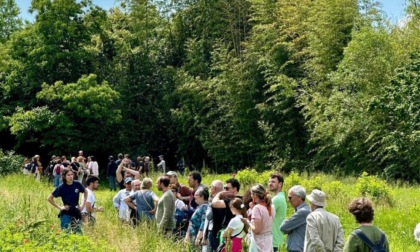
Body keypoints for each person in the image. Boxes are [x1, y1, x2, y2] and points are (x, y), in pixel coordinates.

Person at [47, 169, 87, 233]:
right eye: (68, 175)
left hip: (76, 211)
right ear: (64, 176)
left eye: (72, 174)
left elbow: (85, 191)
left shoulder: (77, 184)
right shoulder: (61, 187)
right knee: (66, 232)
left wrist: (83, 205)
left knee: (79, 233)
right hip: (66, 212)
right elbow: (49, 198)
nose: (71, 176)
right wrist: (60, 207)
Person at [280, 185, 310, 252]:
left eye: (290, 197)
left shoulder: (303, 212)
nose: (288, 200)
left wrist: (286, 222)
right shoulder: (300, 210)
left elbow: (283, 227)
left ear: (299, 197)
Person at [248, 184, 274, 252]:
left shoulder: (257, 208)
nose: (251, 196)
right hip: (269, 240)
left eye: (251, 194)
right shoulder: (271, 207)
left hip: (259, 243)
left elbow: (257, 230)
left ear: (255, 195)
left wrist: (248, 223)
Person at [185, 187, 210, 251]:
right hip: (193, 235)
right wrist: (187, 234)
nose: (194, 197)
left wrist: (198, 238)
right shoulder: (200, 206)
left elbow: (204, 222)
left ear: (202, 197)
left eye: (196, 195)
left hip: (198, 237)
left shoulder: (205, 207)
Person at [203, 180, 224, 251]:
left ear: (214, 188)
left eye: (210, 187)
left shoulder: (214, 201)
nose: (210, 189)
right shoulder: (226, 200)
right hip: (223, 230)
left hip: (213, 230)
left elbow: (208, 216)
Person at [268, 174, 287, 251]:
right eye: (269, 181)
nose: (270, 183)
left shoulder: (276, 199)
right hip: (276, 238)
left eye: (273, 182)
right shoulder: (280, 197)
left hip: (273, 239)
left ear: (280, 184)